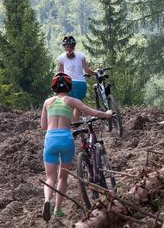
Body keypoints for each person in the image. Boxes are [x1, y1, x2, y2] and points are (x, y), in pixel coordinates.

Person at [41, 72, 112, 221]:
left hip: (50, 140)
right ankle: (57, 209)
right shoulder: (72, 101)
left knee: (50, 177)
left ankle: (47, 200)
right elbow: (92, 112)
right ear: (69, 87)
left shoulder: (47, 102)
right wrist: (107, 114)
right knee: (62, 177)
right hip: (66, 139)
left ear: (54, 87)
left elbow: (43, 126)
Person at [58, 36, 95, 121]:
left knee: (69, 106)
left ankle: (67, 125)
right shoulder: (81, 55)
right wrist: (95, 73)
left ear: (64, 47)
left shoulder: (61, 58)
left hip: (68, 84)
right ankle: (76, 126)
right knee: (77, 106)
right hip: (81, 84)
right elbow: (87, 70)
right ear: (74, 46)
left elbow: (60, 73)